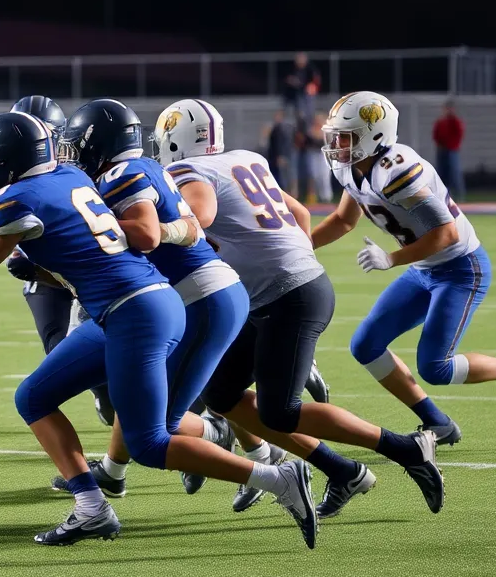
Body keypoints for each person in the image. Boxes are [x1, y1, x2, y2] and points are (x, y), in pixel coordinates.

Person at [0, 111, 319, 548]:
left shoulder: (15, 200)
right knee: (33, 396)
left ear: (6, 160)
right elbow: (64, 233)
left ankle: (277, 477)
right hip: (139, 304)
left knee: (147, 442)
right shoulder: (70, 176)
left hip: (135, 312)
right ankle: (91, 508)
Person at [156, 98, 445, 520]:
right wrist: (292, 255)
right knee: (220, 394)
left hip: (286, 297)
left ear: (175, 140)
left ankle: (406, 447)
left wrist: (155, 233)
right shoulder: (244, 159)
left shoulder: (186, 171)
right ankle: (340, 469)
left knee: (280, 411)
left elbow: (200, 216)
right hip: (277, 292)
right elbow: (299, 212)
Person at [313, 91, 496, 442]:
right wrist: (301, 246)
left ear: (374, 136)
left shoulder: (397, 170)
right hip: (426, 269)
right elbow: (343, 220)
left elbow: (445, 234)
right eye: (336, 134)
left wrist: (391, 259)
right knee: (365, 345)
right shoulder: (350, 166)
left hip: (461, 268)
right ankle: (438, 423)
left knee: (436, 367)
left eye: (346, 136)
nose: (337, 143)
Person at [8, 94, 113, 427]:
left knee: (110, 364)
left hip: (90, 274)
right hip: (45, 275)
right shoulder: (10, 172)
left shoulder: (84, 169)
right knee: (59, 350)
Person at [432, 101, 467, 200]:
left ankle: (459, 195)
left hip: (451, 150)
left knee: (454, 173)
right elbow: (436, 135)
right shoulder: (441, 122)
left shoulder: (455, 122)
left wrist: (452, 145)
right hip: (442, 150)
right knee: (442, 174)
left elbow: (459, 135)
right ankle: (444, 196)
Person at [282, 52, 321, 124]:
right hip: (295, 94)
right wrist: (293, 81)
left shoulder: (310, 68)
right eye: (298, 60)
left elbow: (315, 80)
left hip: (307, 94)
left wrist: (308, 86)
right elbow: (287, 79)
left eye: (302, 59)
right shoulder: (292, 68)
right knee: (298, 113)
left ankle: (309, 124)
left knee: (309, 112)